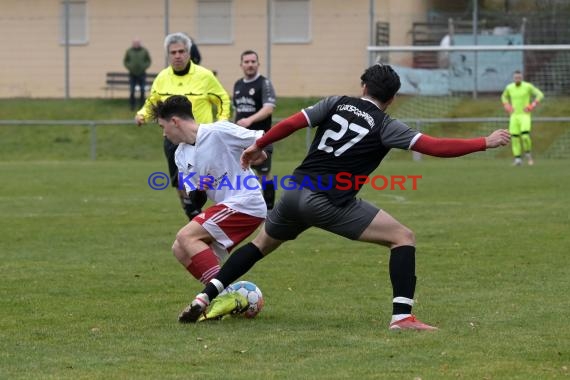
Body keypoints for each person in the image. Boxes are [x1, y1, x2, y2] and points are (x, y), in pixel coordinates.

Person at [178, 63, 511, 329]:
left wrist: (258, 145)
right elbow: (434, 147)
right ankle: (402, 318)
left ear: (363, 87)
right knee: (402, 237)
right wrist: (485, 141)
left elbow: (293, 122)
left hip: (294, 191)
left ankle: (205, 298)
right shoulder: (386, 125)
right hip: (327, 201)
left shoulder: (336, 102)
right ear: (391, 99)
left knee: (259, 246)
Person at [150, 95, 268, 319]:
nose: (164, 134)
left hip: (246, 201)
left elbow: (262, 140)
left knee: (186, 236)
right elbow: (194, 200)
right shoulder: (180, 154)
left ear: (175, 122)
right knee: (179, 248)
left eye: (163, 127)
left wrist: (258, 153)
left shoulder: (218, 131)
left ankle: (216, 296)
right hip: (229, 206)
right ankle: (229, 297)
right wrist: (201, 190)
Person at [135, 32, 231, 221]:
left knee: (210, 180)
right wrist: (142, 115)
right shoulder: (162, 77)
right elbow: (153, 101)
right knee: (181, 181)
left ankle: (218, 215)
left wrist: (222, 121)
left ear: (189, 53)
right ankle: (193, 215)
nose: (177, 55)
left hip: (201, 139)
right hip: (173, 140)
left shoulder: (204, 76)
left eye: (181, 51)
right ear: (168, 55)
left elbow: (222, 99)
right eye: (173, 52)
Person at [233, 50, 277, 209]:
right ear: (241, 65)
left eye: (253, 62)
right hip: (241, 138)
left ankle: (270, 210)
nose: (250, 65)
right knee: (242, 171)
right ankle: (247, 208)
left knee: (264, 174)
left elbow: (269, 108)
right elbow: (237, 110)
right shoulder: (238, 84)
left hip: (262, 137)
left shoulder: (264, 83)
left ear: (258, 64)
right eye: (247, 62)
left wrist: (249, 120)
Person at [501, 70, 544, 166]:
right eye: (516, 77)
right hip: (514, 116)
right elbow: (503, 97)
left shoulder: (527, 86)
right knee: (514, 138)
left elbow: (540, 94)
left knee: (525, 136)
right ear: (513, 78)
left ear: (522, 78)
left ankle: (528, 153)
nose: (517, 79)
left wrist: (532, 105)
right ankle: (517, 159)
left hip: (525, 115)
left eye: (519, 77)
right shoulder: (509, 87)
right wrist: (506, 105)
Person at [123, 38, 152, 110]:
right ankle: (132, 106)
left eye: (137, 43)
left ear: (140, 43)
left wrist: (144, 67)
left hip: (142, 74)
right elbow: (125, 61)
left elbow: (148, 60)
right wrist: (130, 67)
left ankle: (142, 105)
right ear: (133, 44)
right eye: (135, 43)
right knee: (132, 90)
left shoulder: (144, 51)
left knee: (142, 90)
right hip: (132, 74)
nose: (136, 44)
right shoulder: (129, 51)